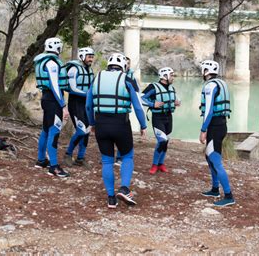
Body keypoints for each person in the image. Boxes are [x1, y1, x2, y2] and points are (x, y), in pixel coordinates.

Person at [86, 53, 147, 208]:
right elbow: (138, 106)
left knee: (107, 160)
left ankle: (111, 198)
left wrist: (92, 123)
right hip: (121, 124)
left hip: (101, 124)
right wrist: (143, 126)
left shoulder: (97, 78)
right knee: (127, 156)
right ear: (123, 66)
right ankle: (124, 189)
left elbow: (88, 105)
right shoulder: (127, 79)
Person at [199, 60, 235, 207]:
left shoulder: (210, 86)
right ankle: (215, 189)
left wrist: (203, 130)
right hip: (221, 124)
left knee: (215, 160)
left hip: (215, 126)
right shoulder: (222, 83)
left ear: (206, 71)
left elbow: (208, 111)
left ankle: (229, 195)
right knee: (209, 157)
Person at [33, 37, 70, 178]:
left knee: (46, 130)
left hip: (46, 98)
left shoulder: (43, 60)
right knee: (54, 131)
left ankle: (41, 160)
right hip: (53, 100)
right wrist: (63, 106)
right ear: (57, 48)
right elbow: (55, 86)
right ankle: (54, 167)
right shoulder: (52, 63)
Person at [141, 67, 181, 174]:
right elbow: (141, 98)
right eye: (171, 75)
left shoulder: (171, 88)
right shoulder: (153, 87)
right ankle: (154, 165)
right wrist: (152, 104)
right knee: (162, 140)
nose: (173, 77)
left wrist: (177, 102)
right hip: (158, 118)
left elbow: (177, 98)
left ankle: (161, 164)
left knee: (166, 142)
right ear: (164, 76)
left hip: (169, 117)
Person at [63, 47, 95, 168]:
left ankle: (80, 158)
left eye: (92, 56)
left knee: (87, 132)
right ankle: (68, 154)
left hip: (86, 104)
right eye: (89, 56)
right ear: (82, 56)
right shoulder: (73, 69)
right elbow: (72, 88)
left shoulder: (89, 70)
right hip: (75, 103)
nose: (91, 59)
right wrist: (87, 94)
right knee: (81, 130)